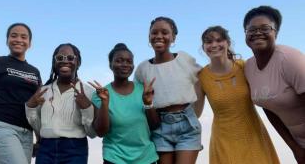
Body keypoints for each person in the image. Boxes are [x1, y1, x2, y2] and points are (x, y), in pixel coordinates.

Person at [197, 26, 280, 164]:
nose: (214, 45)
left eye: (219, 40)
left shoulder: (244, 66)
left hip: (253, 136)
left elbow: (267, 95)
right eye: (209, 42)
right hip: (223, 141)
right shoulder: (201, 77)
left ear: (228, 43)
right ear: (204, 47)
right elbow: (196, 113)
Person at [134, 17, 203, 164]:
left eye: (165, 32)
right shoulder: (142, 69)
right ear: (149, 37)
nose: (159, 36)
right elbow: (138, 100)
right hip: (159, 127)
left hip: (187, 126)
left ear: (173, 37)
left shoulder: (184, 59)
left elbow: (203, 78)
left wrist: (197, 110)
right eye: (154, 33)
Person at [243, 5, 305, 163]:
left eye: (265, 28)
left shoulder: (290, 59)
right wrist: (295, 148)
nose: (257, 33)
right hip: (299, 141)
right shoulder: (248, 67)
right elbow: (269, 107)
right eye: (251, 29)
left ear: (275, 32)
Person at [0, 23, 41, 164]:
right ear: (7, 40)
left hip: (27, 133)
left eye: (23, 37)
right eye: (13, 36)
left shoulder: (34, 71)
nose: (18, 39)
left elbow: (37, 104)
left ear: (29, 43)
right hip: (1, 127)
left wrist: (39, 135)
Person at [25, 43, 95, 164]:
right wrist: (30, 106)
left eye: (70, 58)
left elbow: (93, 133)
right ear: (54, 62)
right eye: (60, 58)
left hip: (75, 150)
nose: (65, 61)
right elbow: (36, 124)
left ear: (78, 63)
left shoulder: (89, 92)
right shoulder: (43, 91)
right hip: (45, 149)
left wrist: (86, 108)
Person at [89, 43, 158, 164]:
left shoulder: (144, 90)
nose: (125, 64)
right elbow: (100, 132)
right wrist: (105, 103)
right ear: (110, 65)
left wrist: (148, 103)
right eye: (119, 61)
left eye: (129, 61)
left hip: (146, 157)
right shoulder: (100, 94)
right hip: (115, 157)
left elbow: (154, 126)